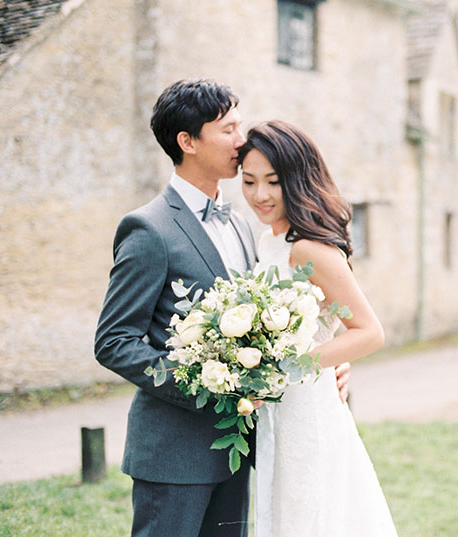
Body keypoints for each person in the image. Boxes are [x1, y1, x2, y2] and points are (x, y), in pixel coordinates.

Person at [94, 79, 351, 537]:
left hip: (238, 447)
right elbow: (114, 341)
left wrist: (332, 357)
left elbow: (286, 313)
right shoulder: (148, 229)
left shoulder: (240, 222)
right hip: (173, 451)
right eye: (228, 129)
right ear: (188, 142)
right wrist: (207, 385)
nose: (241, 139)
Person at [238, 120, 398, 537]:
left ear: (296, 179)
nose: (260, 195)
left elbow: (367, 331)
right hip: (277, 411)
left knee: (311, 516)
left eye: (273, 181)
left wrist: (290, 364)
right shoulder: (267, 241)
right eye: (249, 180)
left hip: (308, 411)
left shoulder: (309, 249)